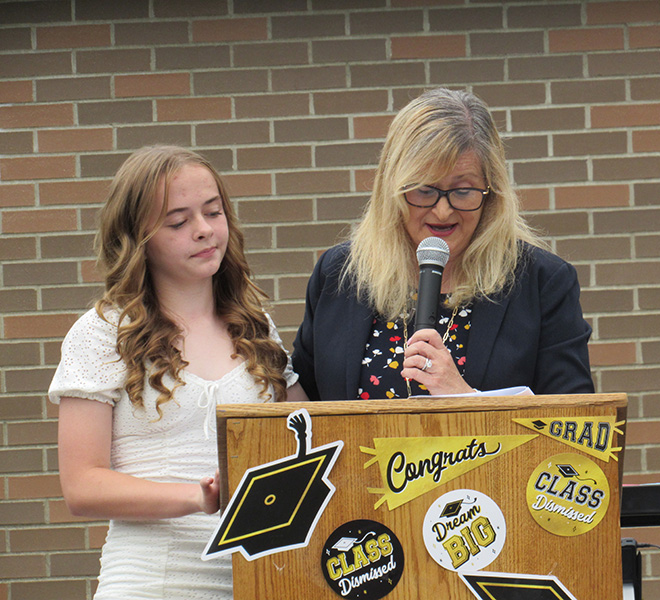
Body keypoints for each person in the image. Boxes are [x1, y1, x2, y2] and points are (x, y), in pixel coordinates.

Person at [49, 145, 306, 599]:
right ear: (136, 239)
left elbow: (309, 435)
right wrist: (197, 497)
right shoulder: (102, 333)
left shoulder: (255, 325)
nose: (205, 231)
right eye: (178, 221)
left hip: (259, 582)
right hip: (152, 582)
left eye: (213, 212)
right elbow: (81, 484)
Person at [292, 88, 594, 401]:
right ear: (392, 188)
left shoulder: (542, 283)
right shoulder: (339, 274)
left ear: (491, 192)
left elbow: (576, 429)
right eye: (424, 190)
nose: (442, 210)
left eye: (463, 191)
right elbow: (306, 409)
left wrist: (465, 396)